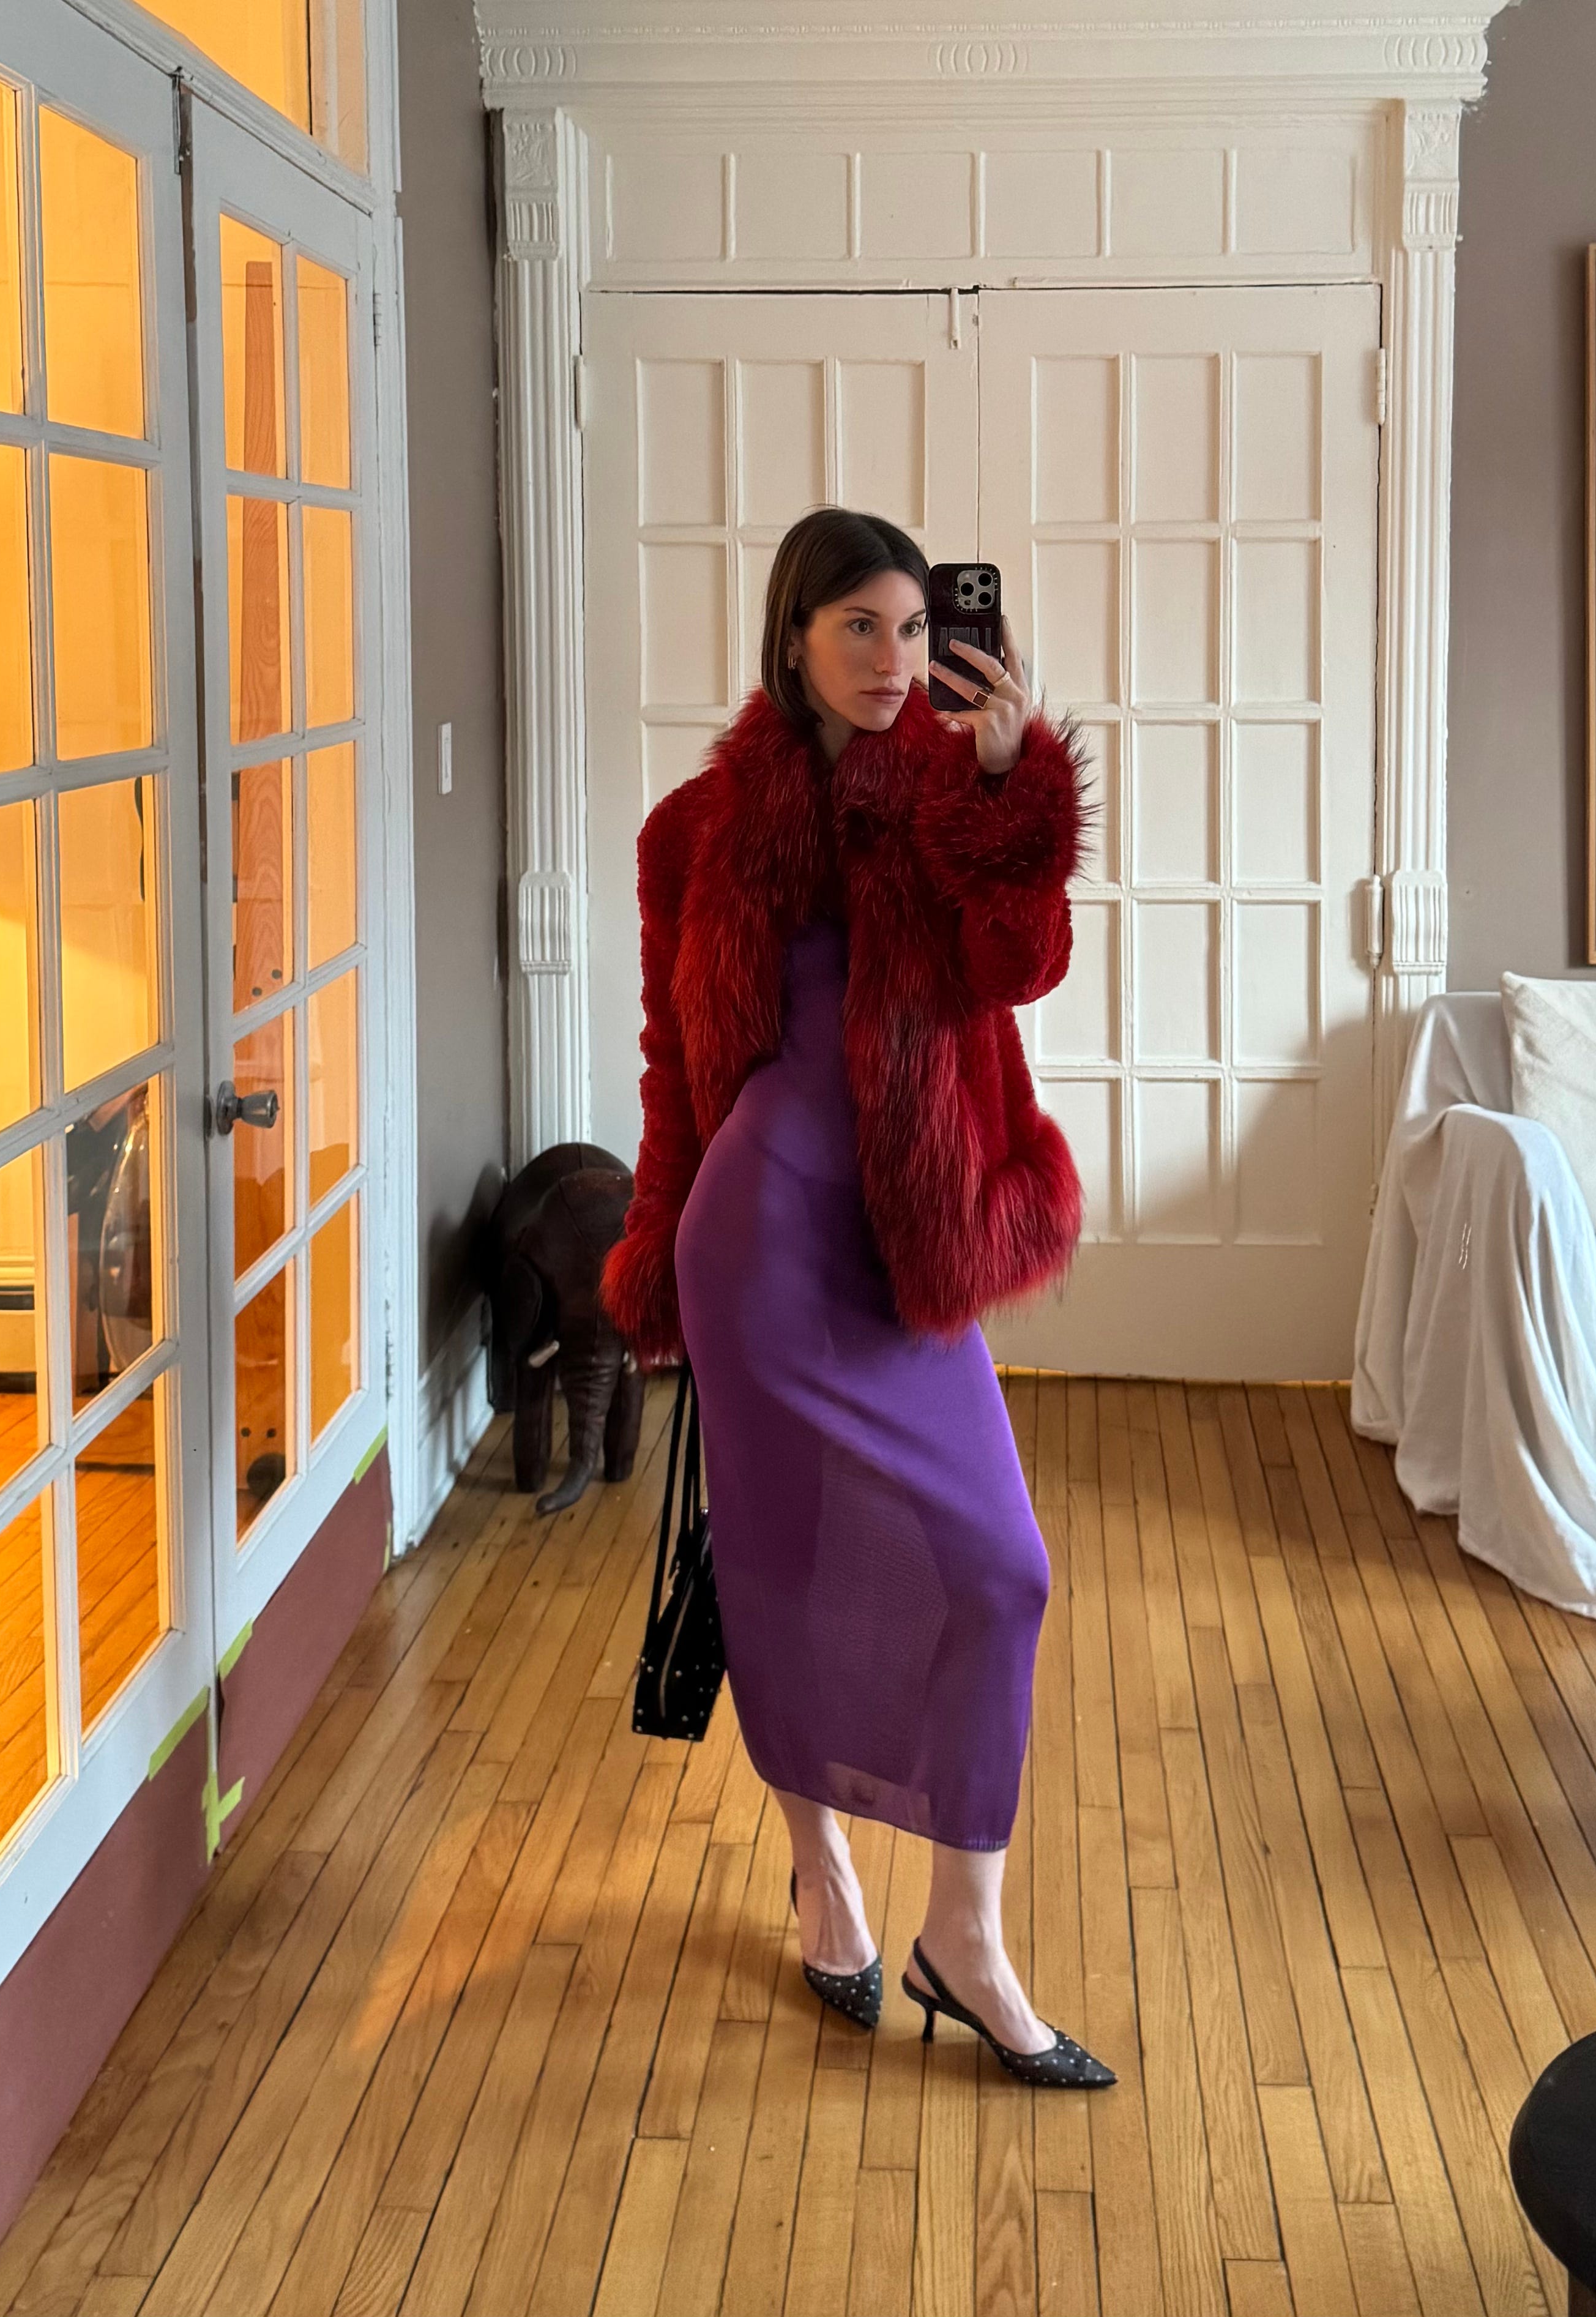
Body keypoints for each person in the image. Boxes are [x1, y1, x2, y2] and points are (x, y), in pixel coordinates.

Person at [600, 507, 1116, 2087]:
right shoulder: (693, 831)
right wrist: (654, 1242)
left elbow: (1024, 967)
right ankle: (820, 1867)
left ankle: (966, 1933)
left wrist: (1011, 789)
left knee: (1000, 1569)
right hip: (754, 1243)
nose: (897, 660)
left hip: (903, 1247)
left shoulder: (952, 795)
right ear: (795, 639)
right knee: (786, 1563)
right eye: (861, 629)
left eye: (915, 628)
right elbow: (676, 1067)